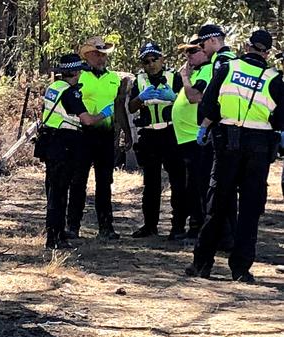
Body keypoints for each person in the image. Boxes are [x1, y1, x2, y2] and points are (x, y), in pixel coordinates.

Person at [186, 30, 284, 283]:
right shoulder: (274, 79)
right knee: (250, 210)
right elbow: (281, 118)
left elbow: (208, 104)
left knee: (217, 206)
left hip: (227, 145)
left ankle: (202, 264)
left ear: (248, 46)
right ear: (267, 52)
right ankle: (241, 269)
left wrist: (206, 126)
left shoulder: (228, 68)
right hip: (259, 149)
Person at [37, 54, 114, 249]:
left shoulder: (54, 88)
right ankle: (55, 237)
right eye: (79, 71)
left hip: (50, 142)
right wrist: (104, 113)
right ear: (74, 72)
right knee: (60, 192)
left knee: (53, 191)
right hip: (64, 143)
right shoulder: (71, 93)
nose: (81, 74)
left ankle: (55, 233)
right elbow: (86, 120)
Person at [67, 36, 131, 240]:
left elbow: (120, 107)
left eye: (103, 54)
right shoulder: (79, 77)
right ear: (86, 55)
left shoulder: (114, 78)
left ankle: (106, 227)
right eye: (97, 54)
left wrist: (127, 132)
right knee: (78, 180)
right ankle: (73, 226)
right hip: (82, 134)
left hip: (106, 136)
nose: (101, 58)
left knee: (105, 181)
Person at [128, 42, 187, 239]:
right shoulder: (139, 80)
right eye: (146, 61)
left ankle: (178, 227)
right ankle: (149, 226)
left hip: (171, 134)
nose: (151, 64)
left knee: (178, 182)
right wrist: (140, 98)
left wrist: (174, 97)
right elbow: (131, 107)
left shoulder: (174, 77)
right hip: (149, 136)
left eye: (154, 59)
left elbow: (187, 101)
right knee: (151, 183)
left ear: (162, 59)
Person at [196, 24, 238, 251]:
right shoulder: (233, 60)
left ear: (213, 40)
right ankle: (228, 235)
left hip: (221, 131)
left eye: (202, 44)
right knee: (226, 188)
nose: (202, 49)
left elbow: (216, 98)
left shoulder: (223, 61)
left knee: (217, 187)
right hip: (227, 130)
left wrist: (205, 125)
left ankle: (224, 237)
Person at [171, 37, 213, 241]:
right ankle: (192, 225)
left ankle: (198, 227)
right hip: (185, 138)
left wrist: (185, 78)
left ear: (205, 51)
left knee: (197, 185)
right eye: (186, 52)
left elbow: (194, 96)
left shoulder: (207, 70)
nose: (188, 56)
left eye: (193, 51)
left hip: (196, 137)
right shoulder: (198, 71)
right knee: (190, 185)